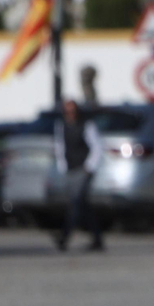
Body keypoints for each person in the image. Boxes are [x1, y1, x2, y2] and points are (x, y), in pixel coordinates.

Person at [53, 99, 103, 252]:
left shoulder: (87, 125)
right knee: (83, 205)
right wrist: (62, 165)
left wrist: (89, 166)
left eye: (72, 111)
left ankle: (64, 236)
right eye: (67, 111)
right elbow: (60, 146)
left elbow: (97, 147)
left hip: (83, 170)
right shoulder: (61, 126)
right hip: (70, 169)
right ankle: (97, 238)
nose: (70, 114)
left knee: (75, 203)